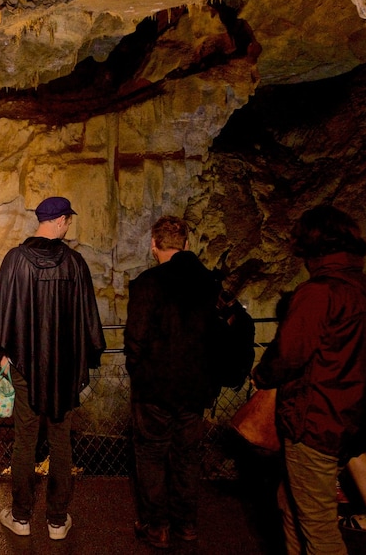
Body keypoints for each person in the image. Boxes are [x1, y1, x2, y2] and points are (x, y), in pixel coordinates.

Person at [252, 205, 366, 555]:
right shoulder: (364, 288)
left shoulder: (318, 293)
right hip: (348, 419)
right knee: (290, 502)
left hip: (314, 421)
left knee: (319, 528)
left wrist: (262, 374)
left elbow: (289, 353)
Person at [0, 196, 106, 540]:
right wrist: (87, 358)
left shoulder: (15, 261)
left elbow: (0, 308)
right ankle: (56, 520)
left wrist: (2, 352)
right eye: (69, 220)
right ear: (61, 220)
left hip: (24, 368)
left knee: (24, 440)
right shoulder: (75, 264)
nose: (69, 226)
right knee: (61, 442)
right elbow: (88, 320)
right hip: (64, 371)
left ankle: (21, 517)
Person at [123, 216, 223, 548]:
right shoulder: (209, 284)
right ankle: (187, 525)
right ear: (187, 244)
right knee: (188, 456)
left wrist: (138, 372)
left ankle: (158, 526)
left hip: (154, 387)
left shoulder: (147, 283)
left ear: (154, 245)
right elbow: (216, 336)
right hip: (195, 388)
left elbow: (134, 337)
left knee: (151, 455)